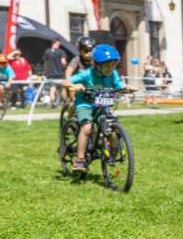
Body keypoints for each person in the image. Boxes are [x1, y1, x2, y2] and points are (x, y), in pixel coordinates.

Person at [62, 44, 124, 172]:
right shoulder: (87, 74)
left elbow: (119, 85)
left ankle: (113, 149)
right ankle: (80, 159)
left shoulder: (113, 74)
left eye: (113, 65)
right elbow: (65, 82)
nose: (110, 68)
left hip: (102, 104)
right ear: (97, 65)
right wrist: (75, 85)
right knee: (87, 127)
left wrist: (127, 87)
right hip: (85, 104)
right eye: (107, 65)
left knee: (111, 125)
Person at [42, 39, 67, 105]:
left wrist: (45, 71)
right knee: (63, 88)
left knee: (52, 88)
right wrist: (64, 67)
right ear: (54, 43)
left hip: (51, 74)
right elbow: (63, 62)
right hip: (60, 74)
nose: (59, 45)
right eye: (58, 44)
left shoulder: (47, 51)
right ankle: (65, 102)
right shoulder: (61, 52)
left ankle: (53, 102)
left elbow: (45, 63)